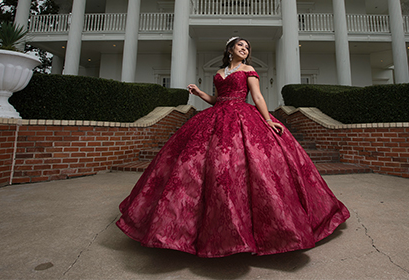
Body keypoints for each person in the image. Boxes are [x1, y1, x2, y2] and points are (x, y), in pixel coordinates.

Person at [117, 37, 350, 258]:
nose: (244, 49)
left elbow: (257, 97)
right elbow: (218, 100)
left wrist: (268, 120)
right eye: (240, 45)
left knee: (248, 164)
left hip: (243, 115)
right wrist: (199, 94)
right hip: (217, 116)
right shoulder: (219, 73)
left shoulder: (249, 71)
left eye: (247, 47)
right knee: (194, 163)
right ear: (230, 49)